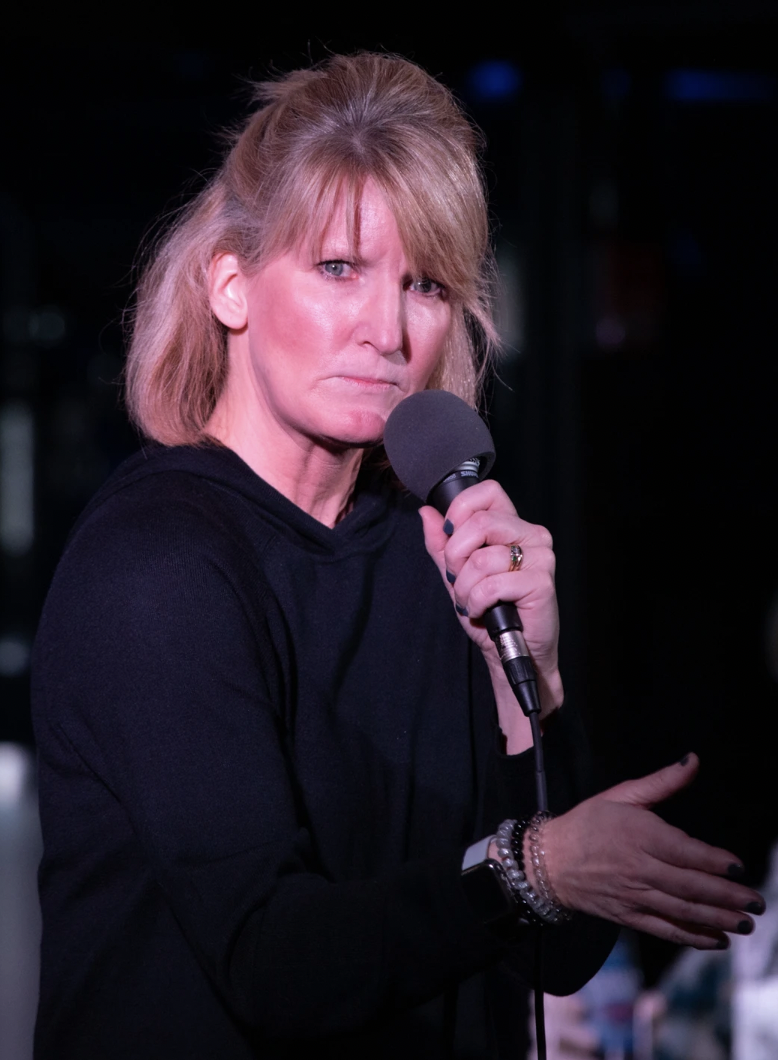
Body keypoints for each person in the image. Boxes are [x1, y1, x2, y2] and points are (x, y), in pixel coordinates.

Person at [31, 53, 764, 1059]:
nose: (386, 329)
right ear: (231, 285)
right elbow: (273, 961)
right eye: (340, 268)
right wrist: (535, 867)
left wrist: (532, 686)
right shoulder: (156, 565)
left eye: (424, 284)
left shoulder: (431, 546)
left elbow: (561, 953)